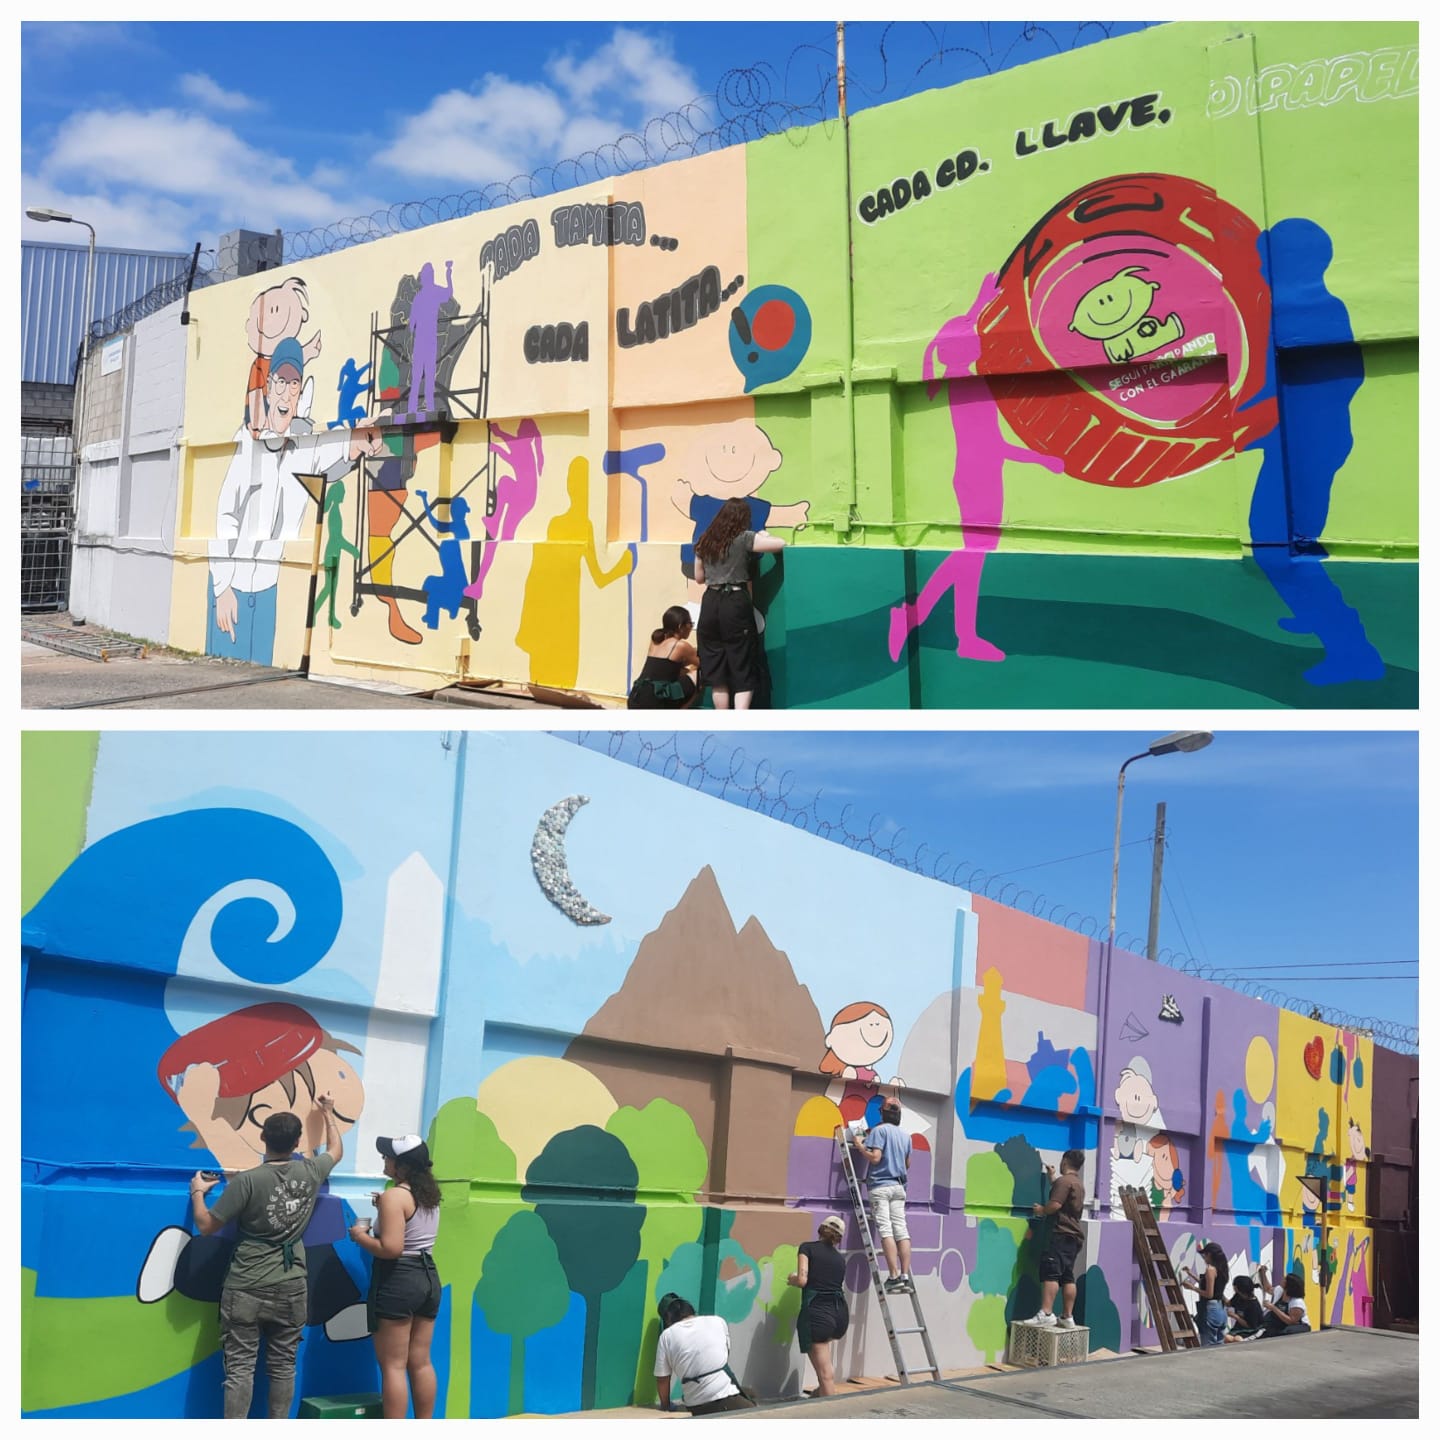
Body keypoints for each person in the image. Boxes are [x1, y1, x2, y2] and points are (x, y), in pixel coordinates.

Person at [188, 1096, 344, 1419]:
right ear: (297, 1142)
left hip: (246, 1285)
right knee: (284, 1367)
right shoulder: (311, 1171)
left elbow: (205, 1226)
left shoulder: (247, 1181)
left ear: (262, 1137)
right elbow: (336, 1151)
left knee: (240, 1369)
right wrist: (328, 1114)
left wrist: (197, 1192)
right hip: (292, 1286)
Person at [347, 1136, 442, 1419]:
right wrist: (384, 1209)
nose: (384, 1160)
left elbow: (391, 1249)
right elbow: (411, 1230)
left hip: (399, 1279)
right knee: (421, 1361)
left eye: (388, 1157)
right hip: (428, 1278)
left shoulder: (394, 1196)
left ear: (402, 1166)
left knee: (393, 1365)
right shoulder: (428, 1194)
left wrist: (360, 1237)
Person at [692, 496, 786, 710]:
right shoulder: (744, 538)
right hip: (734, 602)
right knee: (742, 664)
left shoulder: (705, 541)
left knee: (717, 672)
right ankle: (739, 722)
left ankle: (723, 722)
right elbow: (780, 545)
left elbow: (699, 578)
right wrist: (765, 535)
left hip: (710, 602)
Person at [653, 1293, 755, 1415]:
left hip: (696, 1406)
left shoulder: (666, 1336)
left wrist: (666, 1406)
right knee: (753, 1402)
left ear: (667, 1320)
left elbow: (662, 1379)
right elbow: (724, 1357)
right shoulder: (718, 1321)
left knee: (750, 1394)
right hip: (725, 1398)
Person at [850, 1097, 913, 1294]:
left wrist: (860, 1146)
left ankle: (893, 1276)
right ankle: (904, 1275)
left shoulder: (879, 1131)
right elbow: (907, 1164)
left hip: (880, 1186)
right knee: (901, 1230)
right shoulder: (906, 1136)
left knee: (886, 1230)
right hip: (899, 1187)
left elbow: (875, 1158)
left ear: (883, 1112)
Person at [787, 1215, 850, 1396]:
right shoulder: (840, 1259)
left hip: (818, 1314)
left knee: (825, 1375)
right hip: (839, 1315)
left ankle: (830, 1414)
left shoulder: (807, 1248)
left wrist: (792, 1279)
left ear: (821, 1229)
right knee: (825, 1365)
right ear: (838, 1238)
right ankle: (819, 1394)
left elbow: (801, 1280)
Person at [1029, 1149, 1087, 1329]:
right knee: (1068, 1276)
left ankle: (1046, 1312)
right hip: (1074, 1237)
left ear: (1065, 1161)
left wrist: (1041, 1210)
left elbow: (1055, 1204)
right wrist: (1052, 1177)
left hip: (1059, 1234)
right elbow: (1063, 1196)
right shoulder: (1077, 1183)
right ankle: (1067, 1317)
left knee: (1051, 1273)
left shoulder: (1064, 1182)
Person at [628, 606, 700, 709]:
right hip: (656, 701)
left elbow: (665, 666)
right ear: (680, 626)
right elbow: (704, 663)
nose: (691, 628)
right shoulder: (680, 646)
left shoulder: (656, 641)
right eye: (690, 624)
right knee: (699, 675)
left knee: (682, 671)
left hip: (636, 697)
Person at [1181, 1241, 1230, 1345]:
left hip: (1210, 1309)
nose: (1204, 1258)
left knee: (1208, 1345)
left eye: (1205, 1254)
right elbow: (1209, 1285)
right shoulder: (1222, 1269)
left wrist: (1192, 1288)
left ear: (1210, 1255)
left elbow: (1209, 1294)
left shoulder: (1210, 1270)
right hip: (1221, 1308)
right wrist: (1191, 1274)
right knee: (1219, 1343)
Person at [1255, 1266, 1310, 1337]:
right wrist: (1263, 1273)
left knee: (1285, 1332)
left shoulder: (1297, 1302)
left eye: (1284, 1279)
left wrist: (1273, 1308)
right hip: (1280, 1324)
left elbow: (1292, 1321)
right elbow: (1268, 1288)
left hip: (1296, 1327)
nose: (1282, 1279)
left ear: (1288, 1285)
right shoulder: (1280, 1291)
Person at [1225, 1274, 1265, 1340]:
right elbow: (1228, 1303)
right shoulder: (1238, 1296)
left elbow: (1250, 1325)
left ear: (1237, 1288)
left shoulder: (1253, 1304)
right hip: (1239, 1328)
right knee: (1227, 1338)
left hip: (1253, 1330)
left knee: (1237, 1339)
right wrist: (1219, 1293)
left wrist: (1235, 1316)